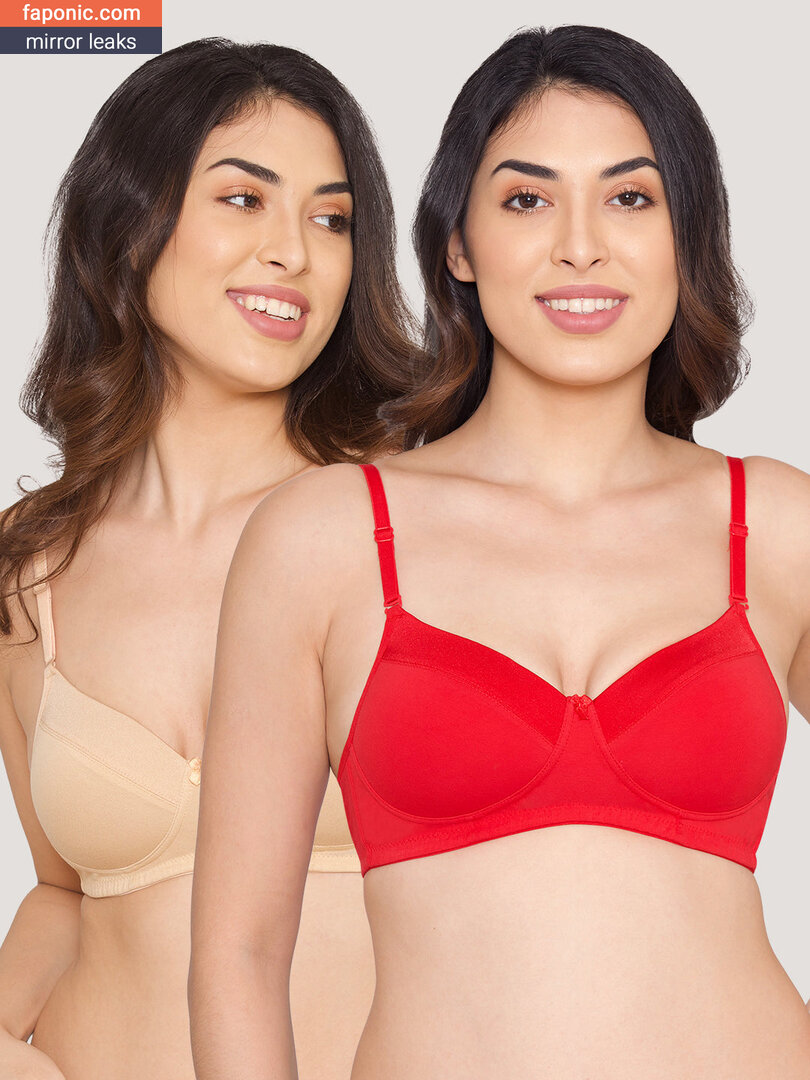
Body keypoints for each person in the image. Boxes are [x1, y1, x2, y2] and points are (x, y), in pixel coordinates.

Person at [190, 24, 810, 1080]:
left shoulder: (777, 525)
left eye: (631, 198)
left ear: (687, 237)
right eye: (527, 200)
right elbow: (238, 957)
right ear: (458, 245)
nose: (581, 247)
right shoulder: (325, 538)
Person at [0, 37, 420, 1080]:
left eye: (331, 220)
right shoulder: (31, 570)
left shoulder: (412, 520)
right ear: (129, 224)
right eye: (244, 199)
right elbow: (61, 896)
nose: (295, 253)